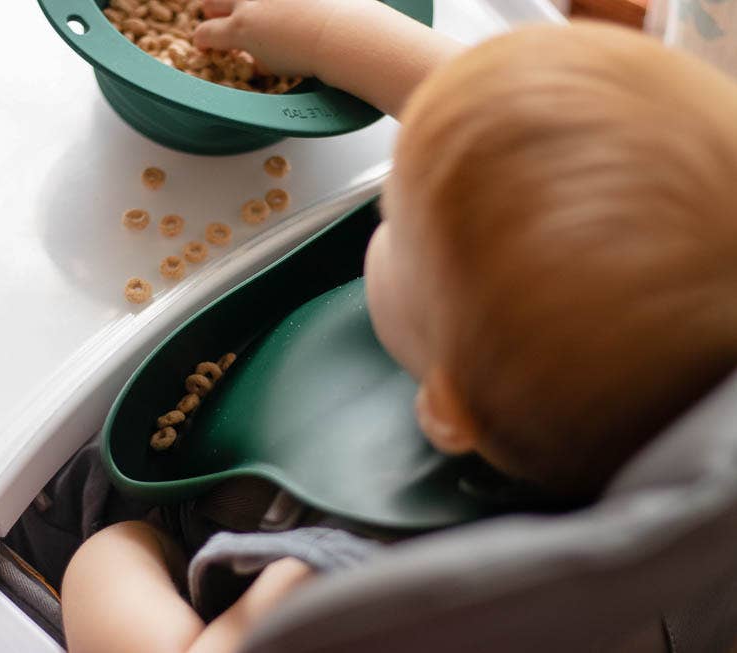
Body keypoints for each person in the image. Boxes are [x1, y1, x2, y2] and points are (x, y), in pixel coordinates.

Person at [62, 3, 737, 651]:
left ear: (444, 409)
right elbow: (499, 123)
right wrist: (324, 32)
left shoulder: (349, 581)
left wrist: (115, 550)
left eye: (398, 219)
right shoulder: (674, 306)